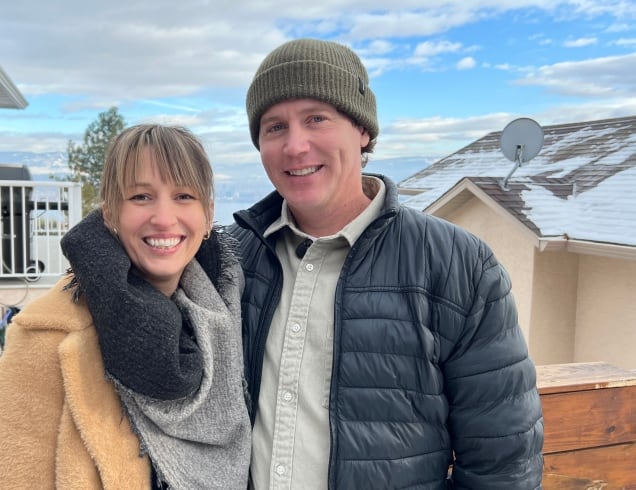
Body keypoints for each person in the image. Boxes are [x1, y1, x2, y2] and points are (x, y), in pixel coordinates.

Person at [228, 38, 544, 489]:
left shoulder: (458, 265)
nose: (295, 146)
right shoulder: (234, 258)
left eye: (317, 118)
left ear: (362, 130)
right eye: (274, 127)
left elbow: (503, 464)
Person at [0, 124, 251, 489]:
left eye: (184, 196)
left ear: (208, 213)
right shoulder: (46, 339)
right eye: (140, 197)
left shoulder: (227, 315)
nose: (164, 217)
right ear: (110, 212)